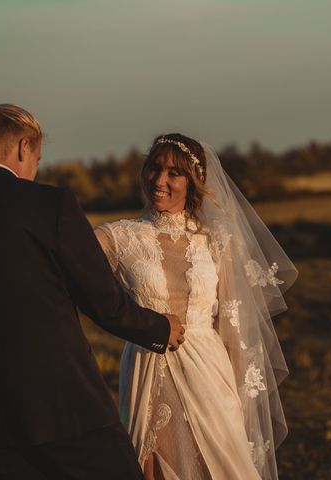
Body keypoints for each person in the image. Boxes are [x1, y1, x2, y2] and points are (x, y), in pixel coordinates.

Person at [0, 103, 185, 480]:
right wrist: (160, 329)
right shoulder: (49, 205)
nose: (35, 169)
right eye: (37, 157)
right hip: (66, 407)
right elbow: (103, 302)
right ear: (22, 148)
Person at [95, 134, 297, 479]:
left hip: (210, 372)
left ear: (194, 181)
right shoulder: (118, 237)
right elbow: (65, 269)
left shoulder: (217, 240)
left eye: (174, 173)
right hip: (148, 367)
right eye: (155, 169)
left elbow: (232, 325)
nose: (159, 181)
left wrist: (239, 403)